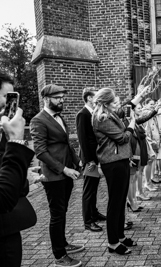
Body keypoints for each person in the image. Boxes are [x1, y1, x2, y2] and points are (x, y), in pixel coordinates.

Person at [30, 84, 83, 267]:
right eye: (57, 97)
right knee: (57, 215)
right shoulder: (39, 120)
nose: (62, 100)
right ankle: (60, 255)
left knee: (62, 211)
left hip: (66, 173)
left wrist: (77, 161)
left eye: (62, 97)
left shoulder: (59, 117)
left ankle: (64, 244)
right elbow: (41, 152)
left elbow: (66, 145)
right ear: (46, 99)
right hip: (53, 176)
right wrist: (64, 169)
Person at [92, 88, 142, 255]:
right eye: (114, 102)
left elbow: (123, 110)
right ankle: (112, 242)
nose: (117, 104)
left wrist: (139, 96)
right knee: (115, 203)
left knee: (121, 202)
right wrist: (132, 125)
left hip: (120, 160)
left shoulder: (110, 113)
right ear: (106, 104)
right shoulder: (102, 118)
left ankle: (120, 236)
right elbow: (122, 138)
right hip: (112, 163)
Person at [0, 74, 36, 267]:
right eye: (6, 98)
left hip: (10, 225)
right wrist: (15, 140)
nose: (9, 106)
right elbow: (4, 196)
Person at [75, 87, 106, 233]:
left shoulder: (93, 112)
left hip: (96, 156)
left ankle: (94, 213)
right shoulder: (83, 114)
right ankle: (88, 221)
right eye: (96, 97)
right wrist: (89, 160)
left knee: (94, 188)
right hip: (90, 159)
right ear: (88, 98)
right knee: (88, 190)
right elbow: (83, 139)